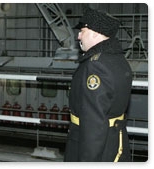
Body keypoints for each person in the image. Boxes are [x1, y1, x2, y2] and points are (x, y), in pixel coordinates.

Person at [64, 8, 132, 162]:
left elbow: (93, 122)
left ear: (95, 33)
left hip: (93, 146)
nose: (79, 35)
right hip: (114, 141)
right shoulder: (118, 60)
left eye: (82, 31)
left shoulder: (95, 66)